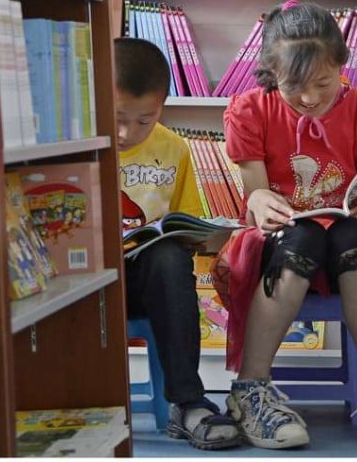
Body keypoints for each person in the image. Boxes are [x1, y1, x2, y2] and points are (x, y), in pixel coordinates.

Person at [212, 1, 357, 450]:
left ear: (342, 66)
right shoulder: (251, 110)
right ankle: (251, 391)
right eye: (294, 87)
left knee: (353, 234)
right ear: (270, 74)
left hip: (345, 241)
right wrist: (262, 200)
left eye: (323, 83)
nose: (309, 98)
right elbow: (255, 200)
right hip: (281, 242)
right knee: (302, 235)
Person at [114, 37, 241, 450]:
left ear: (162, 107)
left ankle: (188, 403)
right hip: (87, 283)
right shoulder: (75, 141)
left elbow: (182, 228)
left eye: (143, 120)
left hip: (145, 284)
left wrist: (190, 236)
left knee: (169, 257)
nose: (125, 132)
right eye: (116, 117)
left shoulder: (174, 148)